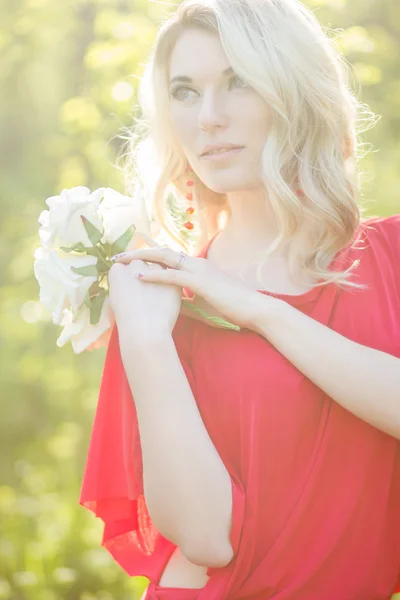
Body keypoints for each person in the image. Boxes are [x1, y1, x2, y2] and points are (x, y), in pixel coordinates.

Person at [79, 0, 400, 598]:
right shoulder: (161, 299)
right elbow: (206, 538)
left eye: (238, 82)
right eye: (184, 92)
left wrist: (257, 309)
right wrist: (147, 343)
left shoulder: (393, 257)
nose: (208, 118)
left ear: (297, 91)